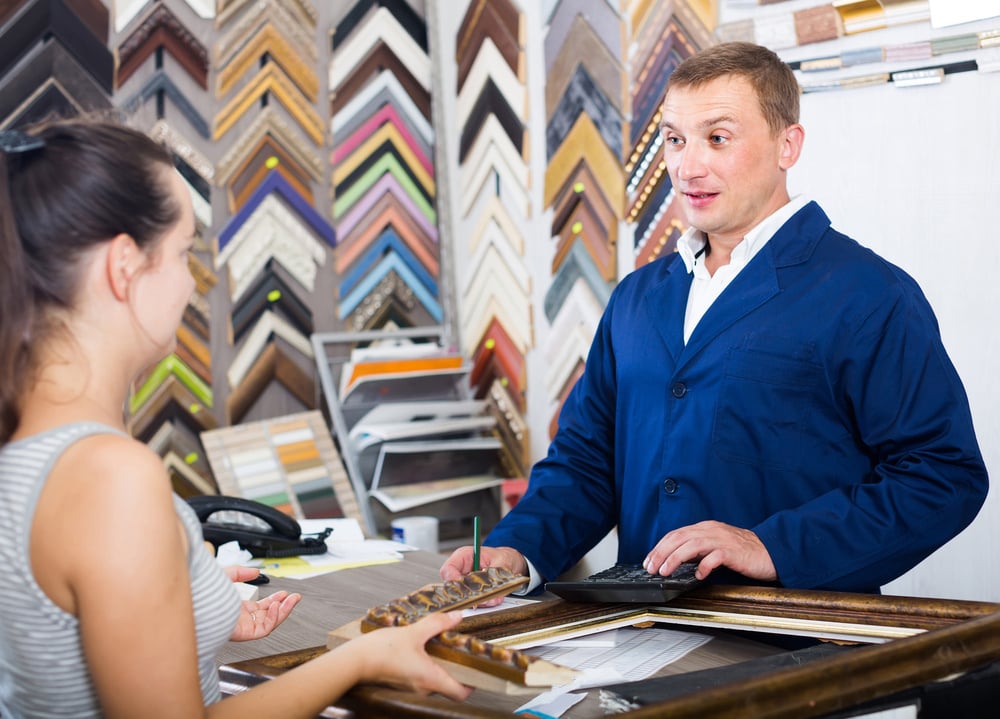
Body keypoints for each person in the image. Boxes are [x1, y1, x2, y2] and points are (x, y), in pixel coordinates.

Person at [442, 41, 988, 598]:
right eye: (675, 140)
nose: (688, 165)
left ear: (787, 145)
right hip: (642, 635)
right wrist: (519, 549)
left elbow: (942, 478)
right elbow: (586, 464)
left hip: (792, 647)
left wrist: (773, 546)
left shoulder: (869, 295)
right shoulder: (637, 299)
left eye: (718, 138)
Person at [0, 117, 471, 717]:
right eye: (183, 253)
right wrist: (361, 656)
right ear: (124, 266)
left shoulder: (23, 452)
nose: (191, 283)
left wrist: (190, 606)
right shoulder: (112, 477)